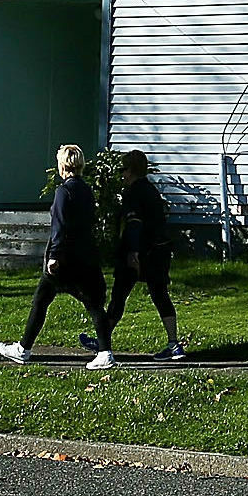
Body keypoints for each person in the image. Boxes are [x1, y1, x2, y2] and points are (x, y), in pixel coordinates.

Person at [0, 144, 116, 370]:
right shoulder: (86, 190)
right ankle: (104, 351)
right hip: (86, 254)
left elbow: (59, 225)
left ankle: (25, 349)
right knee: (90, 303)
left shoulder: (64, 191)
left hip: (66, 260)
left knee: (44, 302)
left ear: (63, 165)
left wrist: (54, 255)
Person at [82, 149, 184, 361]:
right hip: (159, 250)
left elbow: (134, 223)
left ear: (132, 170)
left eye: (124, 169)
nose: (121, 174)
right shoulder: (151, 190)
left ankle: (103, 342)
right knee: (159, 294)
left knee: (119, 295)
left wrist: (133, 252)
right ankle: (174, 343)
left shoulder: (133, 193)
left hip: (140, 252)